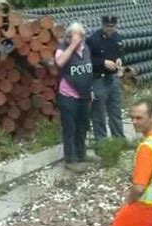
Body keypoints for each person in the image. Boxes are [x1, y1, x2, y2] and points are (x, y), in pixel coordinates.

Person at [55, 22, 93, 172]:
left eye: (82, 36)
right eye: (77, 36)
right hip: (68, 95)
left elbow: (88, 70)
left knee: (83, 126)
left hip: (84, 95)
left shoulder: (86, 49)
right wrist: (72, 46)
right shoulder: (62, 49)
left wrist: (90, 89)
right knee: (70, 128)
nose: (81, 39)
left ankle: (81, 154)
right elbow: (59, 62)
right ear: (69, 37)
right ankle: (70, 159)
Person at [87, 15, 126, 142]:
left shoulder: (117, 37)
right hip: (99, 78)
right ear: (103, 25)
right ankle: (102, 143)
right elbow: (88, 60)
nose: (110, 29)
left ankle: (119, 139)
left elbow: (120, 53)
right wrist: (103, 62)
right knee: (99, 113)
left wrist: (120, 60)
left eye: (112, 26)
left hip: (113, 78)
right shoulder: (93, 40)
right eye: (107, 26)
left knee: (115, 111)